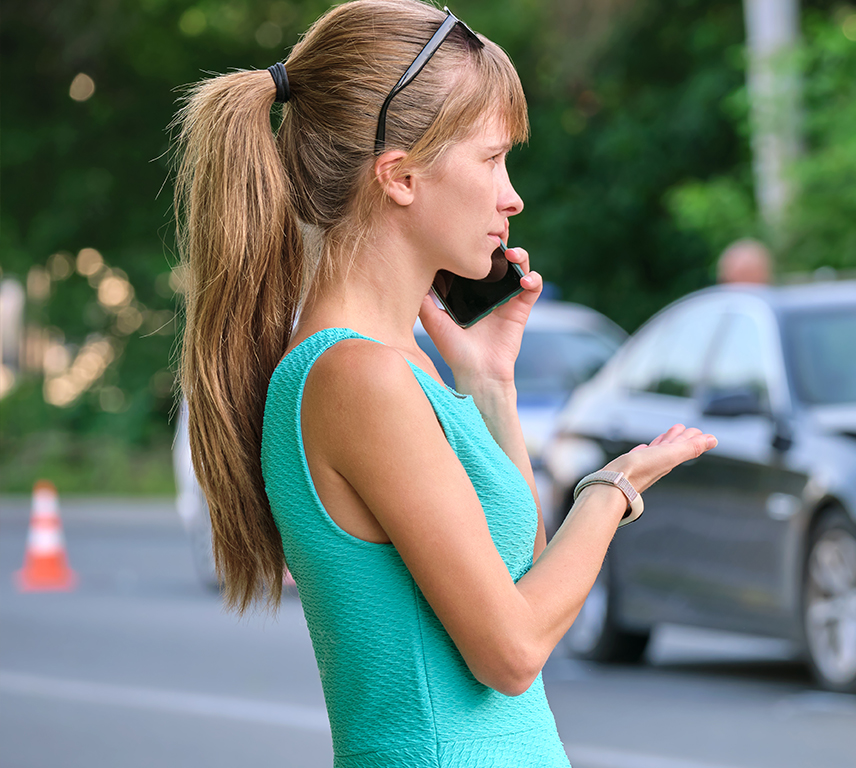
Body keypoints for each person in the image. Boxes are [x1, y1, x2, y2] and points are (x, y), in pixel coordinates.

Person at [171, 2, 716, 766]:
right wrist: (611, 489)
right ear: (400, 177)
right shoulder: (355, 377)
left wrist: (489, 384)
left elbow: (519, 574)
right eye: (492, 159)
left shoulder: (397, 366)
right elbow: (513, 652)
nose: (512, 196)